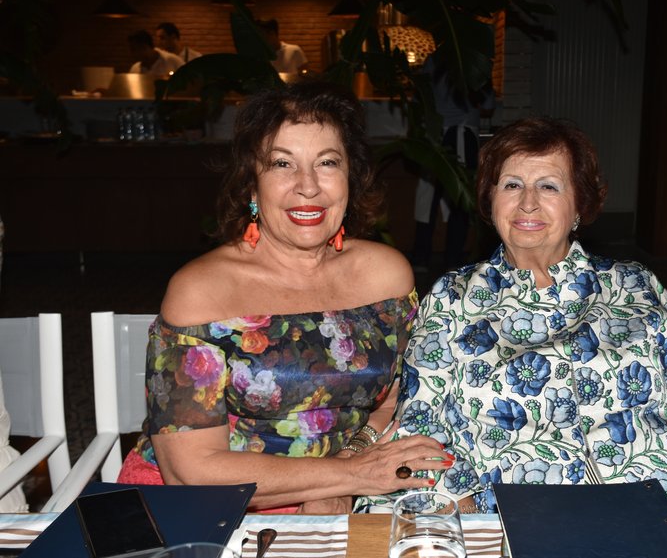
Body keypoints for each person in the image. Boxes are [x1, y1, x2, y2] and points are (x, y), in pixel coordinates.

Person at [359, 117, 667, 514]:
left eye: (549, 186)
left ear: (579, 206)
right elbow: (422, 424)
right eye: (512, 185)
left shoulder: (634, 284)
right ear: (490, 200)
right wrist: (464, 511)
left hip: (664, 501)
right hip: (516, 516)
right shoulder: (452, 298)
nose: (528, 202)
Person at [116, 82, 450, 513]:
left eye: (327, 162)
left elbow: (396, 398)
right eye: (281, 164)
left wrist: (346, 470)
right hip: (210, 507)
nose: (308, 186)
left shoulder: (385, 276)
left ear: (349, 179)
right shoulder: (202, 291)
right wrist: (347, 476)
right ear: (252, 187)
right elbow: (191, 470)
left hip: (349, 489)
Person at [411, 55, 495, 272]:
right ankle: (453, 258)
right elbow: (488, 105)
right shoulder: (474, 60)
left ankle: (421, 257)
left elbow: (419, 99)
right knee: (460, 198)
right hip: (461, 133)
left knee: (428, 197)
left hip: (434, 135)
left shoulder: (432, 61)